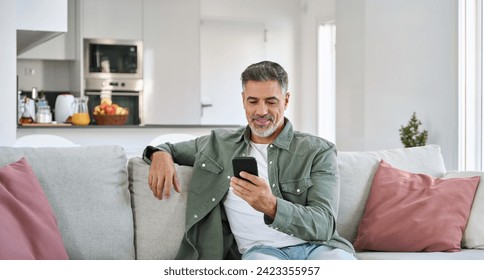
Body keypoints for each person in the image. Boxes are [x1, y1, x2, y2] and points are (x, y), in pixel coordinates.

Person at [142, 61, 356, 260]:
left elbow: (324, 224)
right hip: (261, 253)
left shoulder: (318, 151)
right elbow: (167, 148)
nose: (261, 111)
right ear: (243, 100)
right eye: (253, 101)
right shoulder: (218, 144)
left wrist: (271, 206)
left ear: (286, 100)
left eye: (271, 102)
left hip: (319, 248)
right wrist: (160, 154)